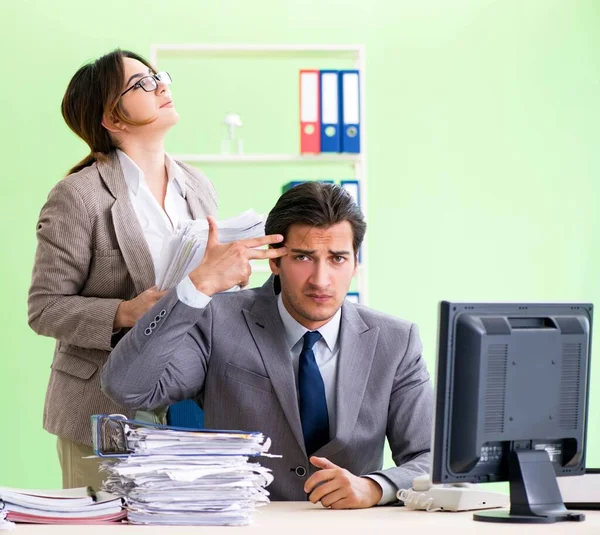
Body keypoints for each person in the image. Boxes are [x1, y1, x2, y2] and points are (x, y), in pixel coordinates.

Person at [27, 49, 284, 490]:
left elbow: (203, 282)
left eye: (158, 76)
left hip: (188, 395)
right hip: (102, 407)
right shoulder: (78, 195)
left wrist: (230, 275)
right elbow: (45, 308)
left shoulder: (198, 185)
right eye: (142, 84)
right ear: (113, 118)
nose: (161, 86)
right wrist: (125, 312)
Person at [102, 182, 434, 508]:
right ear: (275, 262)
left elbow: (431, 456)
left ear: (355, 262)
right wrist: (197, 286)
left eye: (337, 259)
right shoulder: (218, 320)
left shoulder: (395, 341)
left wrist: (376, 488)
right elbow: (128, 387)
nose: (320, 279)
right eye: (303, 257)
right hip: (246, 523)